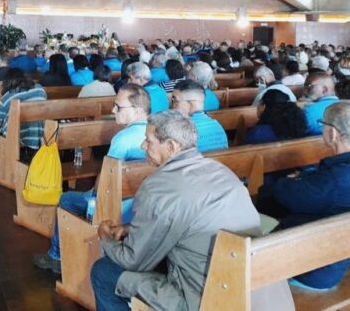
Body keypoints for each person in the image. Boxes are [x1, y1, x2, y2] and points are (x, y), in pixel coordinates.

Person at [90, 110, 294, 311]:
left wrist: (104, 237)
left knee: (103, 272)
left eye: (149, 141)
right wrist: (131, 228)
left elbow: (132, 261)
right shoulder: (220, 170)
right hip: (256, 287)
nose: (143, 146)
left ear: (171, 146)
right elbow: (189, 220)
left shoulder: (157, 187)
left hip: (208, 299)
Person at [32, 84, 150, 274]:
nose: (113, 110)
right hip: (144, 205)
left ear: (136, 110)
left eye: (118, 107)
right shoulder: (156, 134)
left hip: (119, 207)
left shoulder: (123, 139)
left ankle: (56, 256)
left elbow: (106, 181)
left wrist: (93, 196)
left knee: (66, 199)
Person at [268, 101, 350, 290]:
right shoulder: (336, 174)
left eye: (323, 124)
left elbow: (285, 194)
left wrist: (290, 181)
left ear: (332, 133)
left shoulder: (334, 180)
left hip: (313, 268)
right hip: (337, 256)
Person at [0, 69, 47, 158]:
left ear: (8, 82)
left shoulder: (9, 96)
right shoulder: (40, 89)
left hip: (15, 138)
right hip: (38, 135)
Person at [170, 79, 228, 152]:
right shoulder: (217, 125)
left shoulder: (179, 130)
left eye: (175, 101)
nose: (172, 106)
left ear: (190, 104)